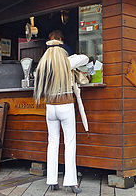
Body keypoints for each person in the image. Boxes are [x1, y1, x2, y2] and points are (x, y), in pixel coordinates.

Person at [34, 38, 89, 194]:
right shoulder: (66, 63)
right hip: (65, 105)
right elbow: (84, 58)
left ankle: (52, 181)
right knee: (70, 142)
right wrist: (70, 57)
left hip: (50, 107)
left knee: (52, 143)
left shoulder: (43, 66)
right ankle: (71, 182)